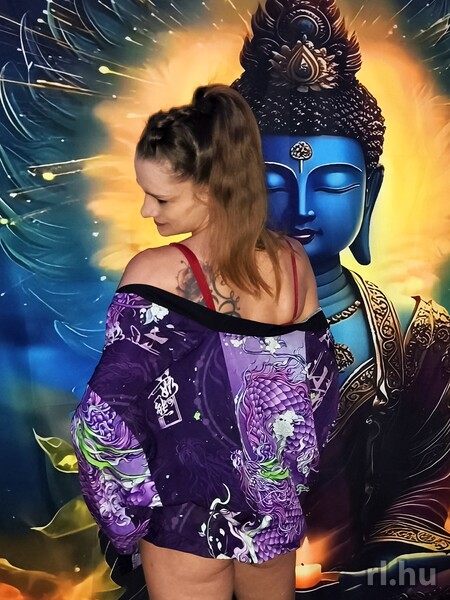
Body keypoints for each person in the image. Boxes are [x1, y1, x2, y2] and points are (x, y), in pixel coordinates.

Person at [71, 84, 339, 600]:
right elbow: (320, 393)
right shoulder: (292, 262)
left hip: (186, 524)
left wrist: (130, 522)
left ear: (210, 189)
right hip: (273, 516)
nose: (146, 210)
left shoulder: (155, 271)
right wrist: (283, 484)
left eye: (161, 197)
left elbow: (102, 421)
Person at [232, 0, 450, 579]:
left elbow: (428, 482)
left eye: (332, 185)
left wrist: (379, 573)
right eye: (272, 183)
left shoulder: (414, 334)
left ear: (369, 193)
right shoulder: (182, 319)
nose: (301, 209)